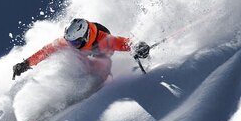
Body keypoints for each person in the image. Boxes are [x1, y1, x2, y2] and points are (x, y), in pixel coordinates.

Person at [12, 18, 150, 79]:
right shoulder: (68, 42)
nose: (72, 45)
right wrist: (26, 64)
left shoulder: (104, 40)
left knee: (100, 69)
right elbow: (46, 51)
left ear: (86, 36)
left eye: (75, 42)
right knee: (70, 59)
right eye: (70, 42)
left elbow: (123, 42)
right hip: (87, 56)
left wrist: (137, 46)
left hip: (100, 56)